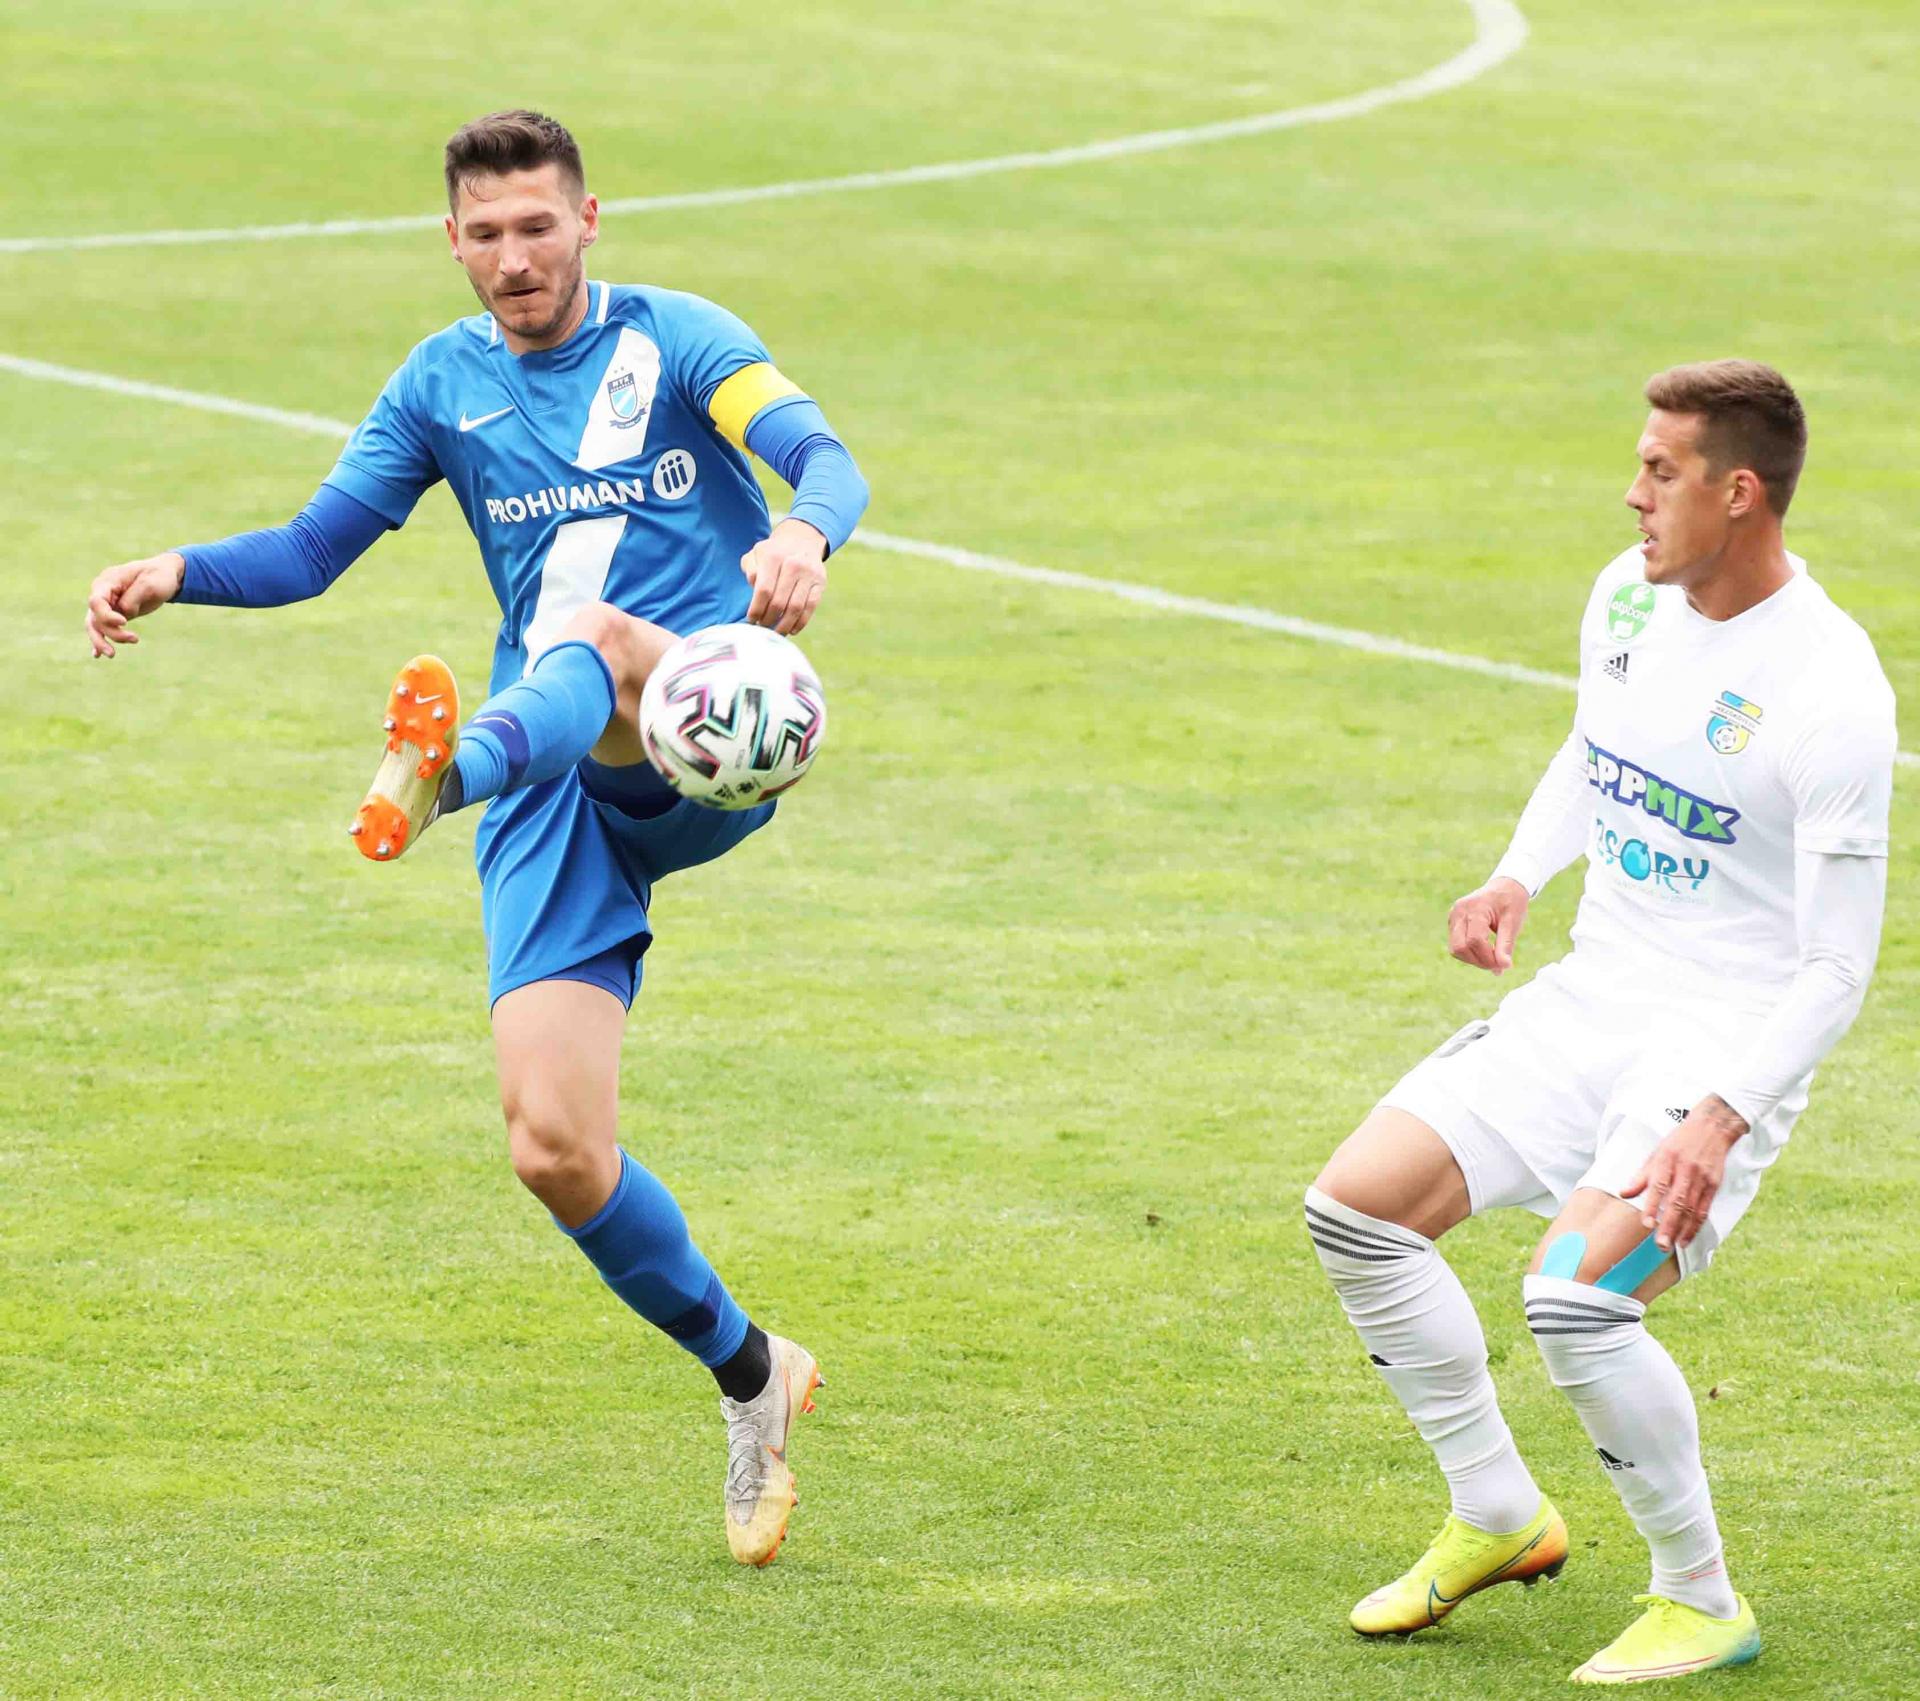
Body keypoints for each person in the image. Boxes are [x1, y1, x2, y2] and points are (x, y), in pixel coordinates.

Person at [83, 109, 869, 1568]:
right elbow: (314, 548)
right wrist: (174, 570)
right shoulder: (441, 383)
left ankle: (448, 773)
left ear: (589, 222)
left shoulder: (680, 340)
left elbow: (819, 453)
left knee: (591, 635)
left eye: (539, 227)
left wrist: (802, 534)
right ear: (452, 240)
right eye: (488, 234)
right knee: (555, 1149)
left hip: (709, 720)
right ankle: (753, 1372)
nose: (515, 258)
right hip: (554, 787)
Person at [1305, 361, 1894, 1682]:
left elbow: (1836, 966)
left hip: (1725, 1038)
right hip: (1594, 992)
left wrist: (1721, 1119)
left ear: (1739, 494)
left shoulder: (1830, 690)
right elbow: (1597, 744)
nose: (1631, 494)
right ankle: (1499, 1512)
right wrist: (1520, 872)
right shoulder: (1626, 594)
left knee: (1574, 1297)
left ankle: (1701, 1597)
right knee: (1355, 1209)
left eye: (1660, 471)